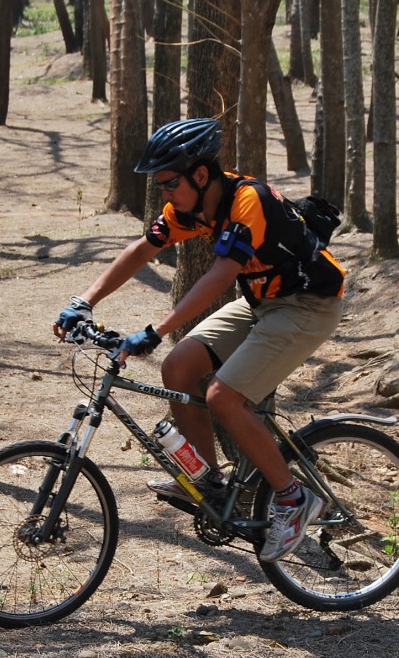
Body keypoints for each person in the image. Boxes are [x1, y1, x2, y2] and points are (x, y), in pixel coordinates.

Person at [53, 117, 347, 563]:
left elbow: (220, 275)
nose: (164, 193)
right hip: (262, 303)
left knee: (222, 397)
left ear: (201, 174)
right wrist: (84, 300)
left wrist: (155, 330)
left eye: (170, 183)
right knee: (180, 366)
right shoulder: (189, 207)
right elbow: (142, 249)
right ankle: (208, 481)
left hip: (308, 307)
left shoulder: (249, 201)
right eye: (160, 184)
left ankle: (292, 497)